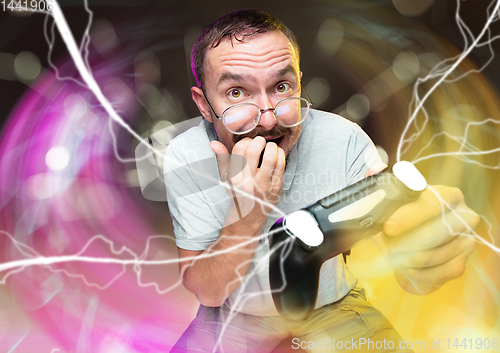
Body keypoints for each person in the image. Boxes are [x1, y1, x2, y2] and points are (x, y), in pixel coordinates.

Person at [164, 9, 479, 353]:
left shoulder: (343, 137)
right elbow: (208, 291)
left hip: (334, 308)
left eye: (282, 87)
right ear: (204, 105)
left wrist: (423, 246)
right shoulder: (186, 156)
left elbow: (404, 243)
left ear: (300, 81)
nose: (268, 119)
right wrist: (249, 210)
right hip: (231, 316)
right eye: (237, 93)